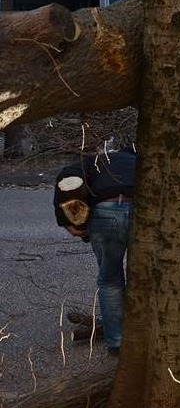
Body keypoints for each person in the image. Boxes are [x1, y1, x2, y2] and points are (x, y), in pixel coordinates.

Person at [54, 148, 136, 357]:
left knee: (110, 280)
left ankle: (117, 343)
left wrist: (67, 223)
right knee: (145, 276)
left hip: (105, 211)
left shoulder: (93, 161)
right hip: (141, 208)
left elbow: (66, 180)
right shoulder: (140, 157)